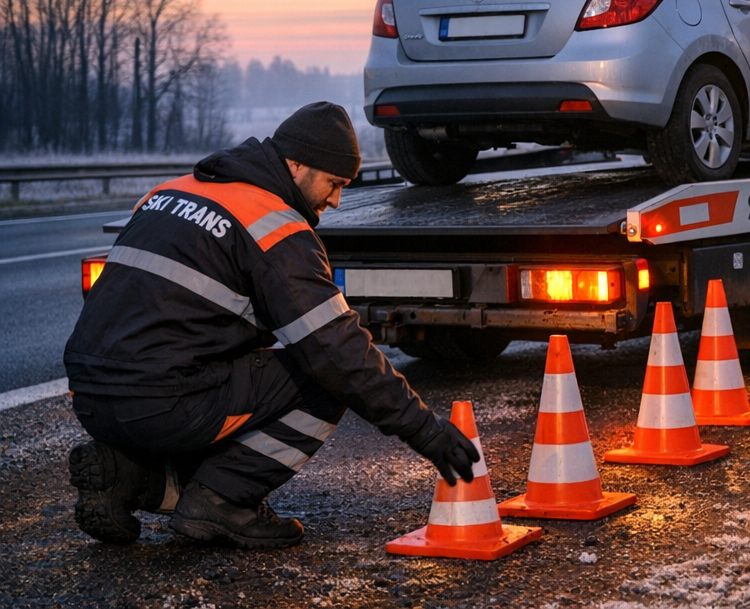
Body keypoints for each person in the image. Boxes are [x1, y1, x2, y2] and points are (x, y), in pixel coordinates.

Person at [64, 103, 481, 549]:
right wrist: (424, 430)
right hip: (162, 406)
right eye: (333, 183)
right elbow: (338, 352)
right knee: (325, 378)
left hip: (89, 399)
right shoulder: (272, 224)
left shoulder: (171, 192)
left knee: (227, 367)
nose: (336, 199)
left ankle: (132, 477)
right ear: (295, 164)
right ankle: (221, 500)